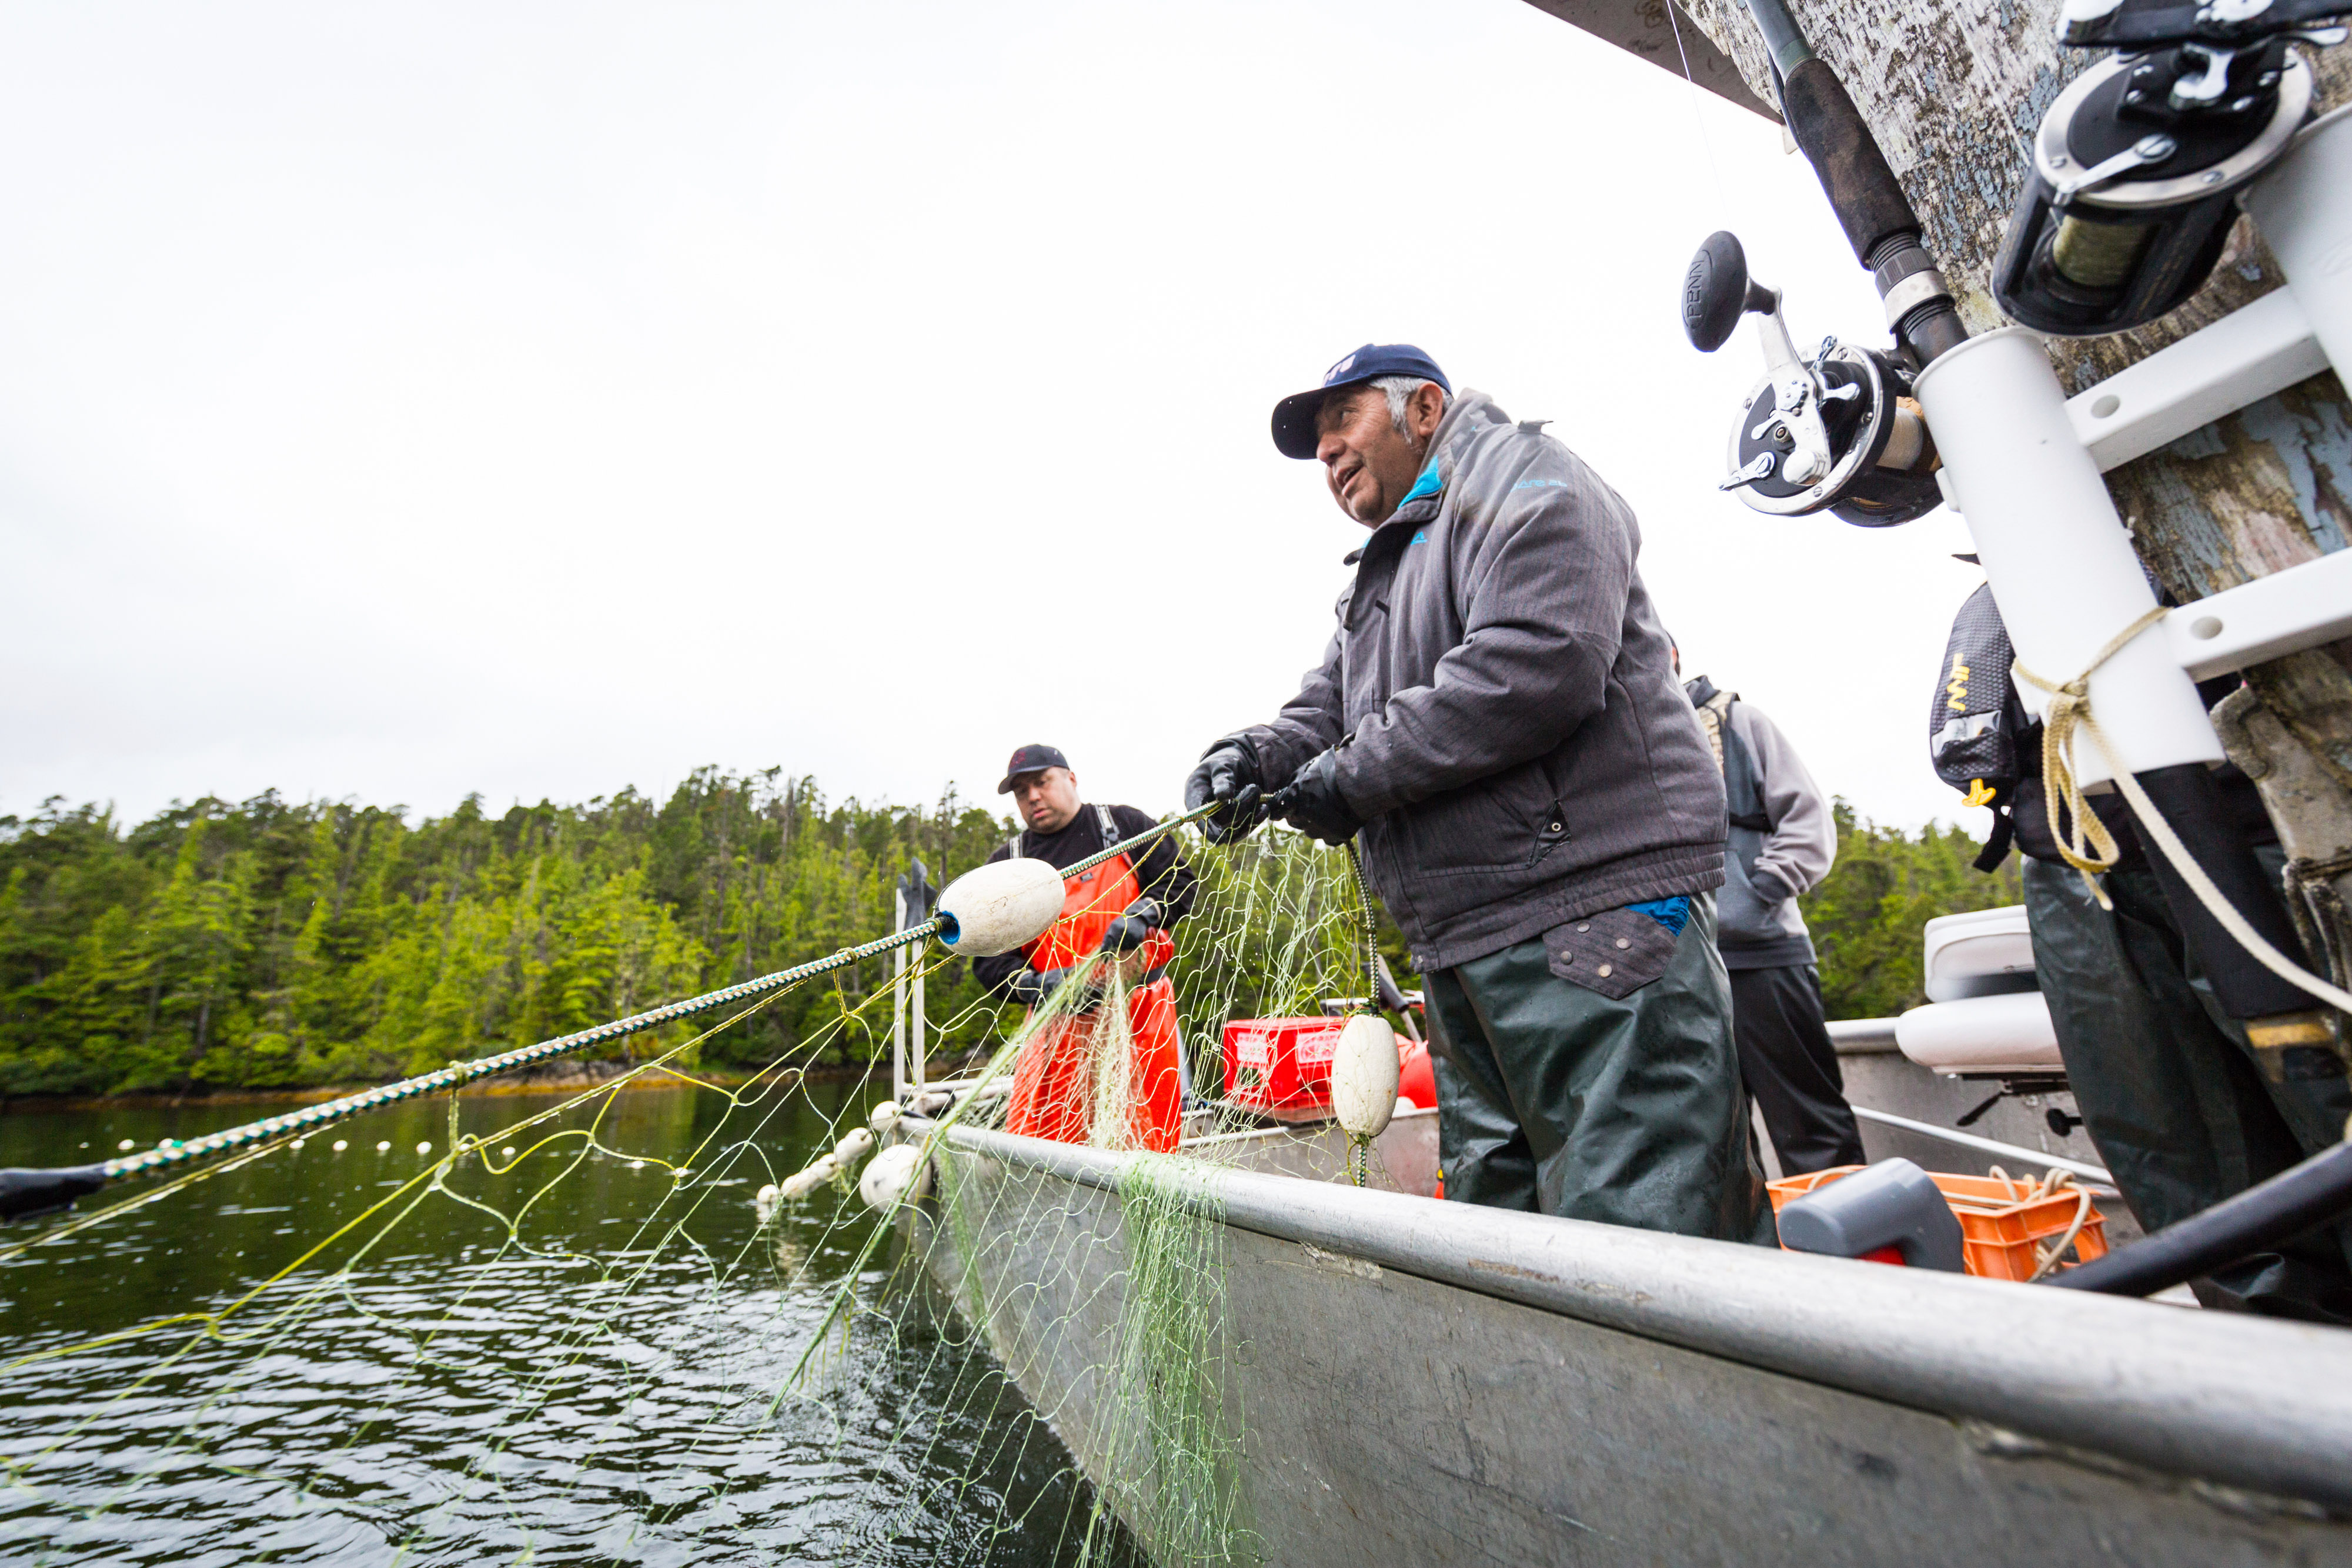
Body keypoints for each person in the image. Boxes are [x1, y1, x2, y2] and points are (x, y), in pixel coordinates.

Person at [1185, 343, 1769, 1242]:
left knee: (1650, 1240)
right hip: (1466, 947)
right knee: (1509, 1245)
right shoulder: (1379, 573)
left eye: (1343, 420)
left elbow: (1537, 662)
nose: (1328, 452)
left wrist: (1346, 778)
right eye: (1317, 443)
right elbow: (1324, 710)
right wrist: (1251, 756)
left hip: (1593, 921)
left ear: (1424, 408)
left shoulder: (1529, 479)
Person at [1932, 584, 2352, 1320]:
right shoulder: (2006, 585)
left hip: (2253, 838)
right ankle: (2276, 1364)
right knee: (2173, 1145)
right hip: (2078, 871)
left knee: (2328, 1098)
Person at [1676, 646, 1865, 1175]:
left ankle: (1851, 1251)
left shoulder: (1741, 722)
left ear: (1668, 653)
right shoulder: (1629, 739)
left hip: (1763, 957)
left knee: (1811, 1125)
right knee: (1718, 1139)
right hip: (1683, 974)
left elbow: (1809, 823)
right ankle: (1752, 1256)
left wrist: (1756, 893)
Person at [971, 744, 1199, 1152]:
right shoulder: (1008, 865)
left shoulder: (1125, 825)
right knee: (1048, 1153)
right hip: (1056, 1032)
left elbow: (1182, 883)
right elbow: (987, 960)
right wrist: (1036, 985)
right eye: (1022, 792)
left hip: (1139, 1019)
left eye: (1042, 782)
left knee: (1150, 1144)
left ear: (1071, 779)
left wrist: (1144, 914)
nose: (1033, 797)